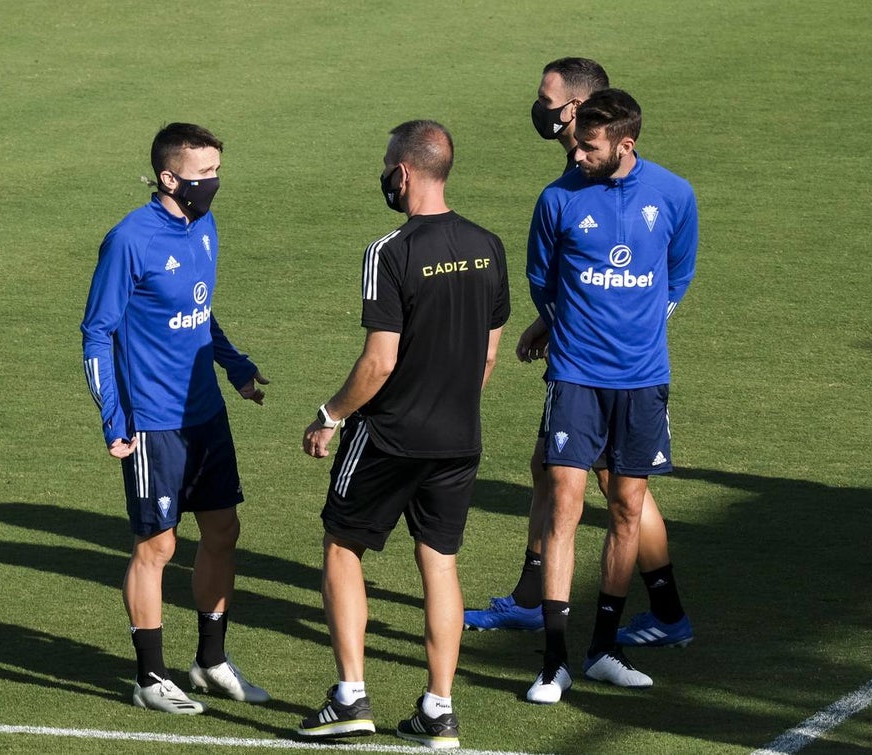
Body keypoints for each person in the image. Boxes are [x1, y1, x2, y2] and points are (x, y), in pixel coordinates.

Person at [464, 58, 694, 656]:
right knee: (553, 469)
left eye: (547, 100)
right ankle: (536, 597)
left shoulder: (614, 176)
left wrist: (585, 322)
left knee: (612, 485)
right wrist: (554, 316)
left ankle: (639, 611)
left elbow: (669, 273)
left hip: (602, 364)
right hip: (577, 350)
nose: (538, 109)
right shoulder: (572, 181)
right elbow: (561, 270)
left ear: (577, 109)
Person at [295, 120, 509, 749]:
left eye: (388, 164)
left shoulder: (390, 251)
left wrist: (330, 416)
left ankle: (350, 697)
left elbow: (379, 362)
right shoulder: (489, 245)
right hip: (459, 437)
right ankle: (439, 711)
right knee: (439, 562)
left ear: (405, 172)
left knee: (342, 546)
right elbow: (489, 354)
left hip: (389, 435)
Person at [81, 122, 271, 715]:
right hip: (152, 423)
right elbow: (96, 334)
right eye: (203, 173)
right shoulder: (128, 240)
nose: (213, 182)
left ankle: (210, 662)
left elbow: (200, 313)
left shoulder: (205, 226)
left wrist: (235, 366)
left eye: (217, 170)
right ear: (169, 177)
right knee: (157, 546)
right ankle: (149, 677)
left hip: (205, 414)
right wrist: (114, 419)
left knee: (223, 532)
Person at [522, 88, 698, 704]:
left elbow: (679, 271)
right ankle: (552, 662)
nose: (579, 155)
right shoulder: (558, 197)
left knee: (627, 506)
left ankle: (601, 649)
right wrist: (570, 324)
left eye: (590, 147)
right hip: (575, 374)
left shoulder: (674, 194)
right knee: (566, 499)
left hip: (643, 378)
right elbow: (542, 278)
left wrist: (645, 321)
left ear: (626, 144)